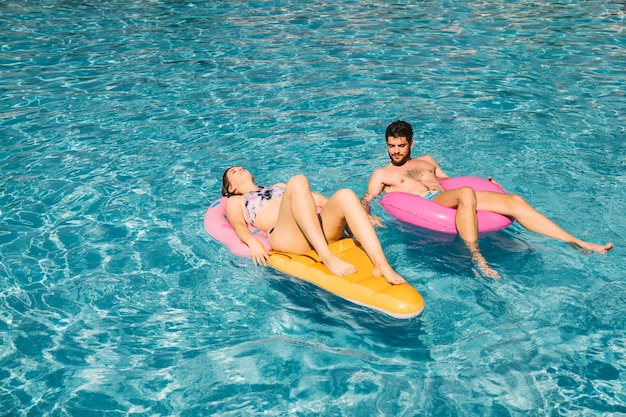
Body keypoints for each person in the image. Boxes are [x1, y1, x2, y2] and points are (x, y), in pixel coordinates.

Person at [361, 120, 614, 279]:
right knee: (467, 194)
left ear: (411, 144)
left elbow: (451, 182)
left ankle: (577, 242)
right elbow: (366, 199)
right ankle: (476, 257)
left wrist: (492, 187)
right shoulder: (383, 174)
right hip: (428, 203)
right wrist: (368, 213)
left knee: (514, 200)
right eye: (391, 146)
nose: (395, 151)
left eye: (401, 146)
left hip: (446, 195)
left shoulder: (427, 160)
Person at [221, 166, 407, 285]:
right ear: (231, 188)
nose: (240, 169)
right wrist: (252, 242)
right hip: (286, 235)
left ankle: (381, 264)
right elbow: (238, 224)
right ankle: (326, 256)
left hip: (315, 228)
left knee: (346, 194)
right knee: (298, 181)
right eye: (234, 172)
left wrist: (355, 216)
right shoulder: (237, 200)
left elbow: (318, 199)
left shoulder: (278, 186)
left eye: (240, 167)